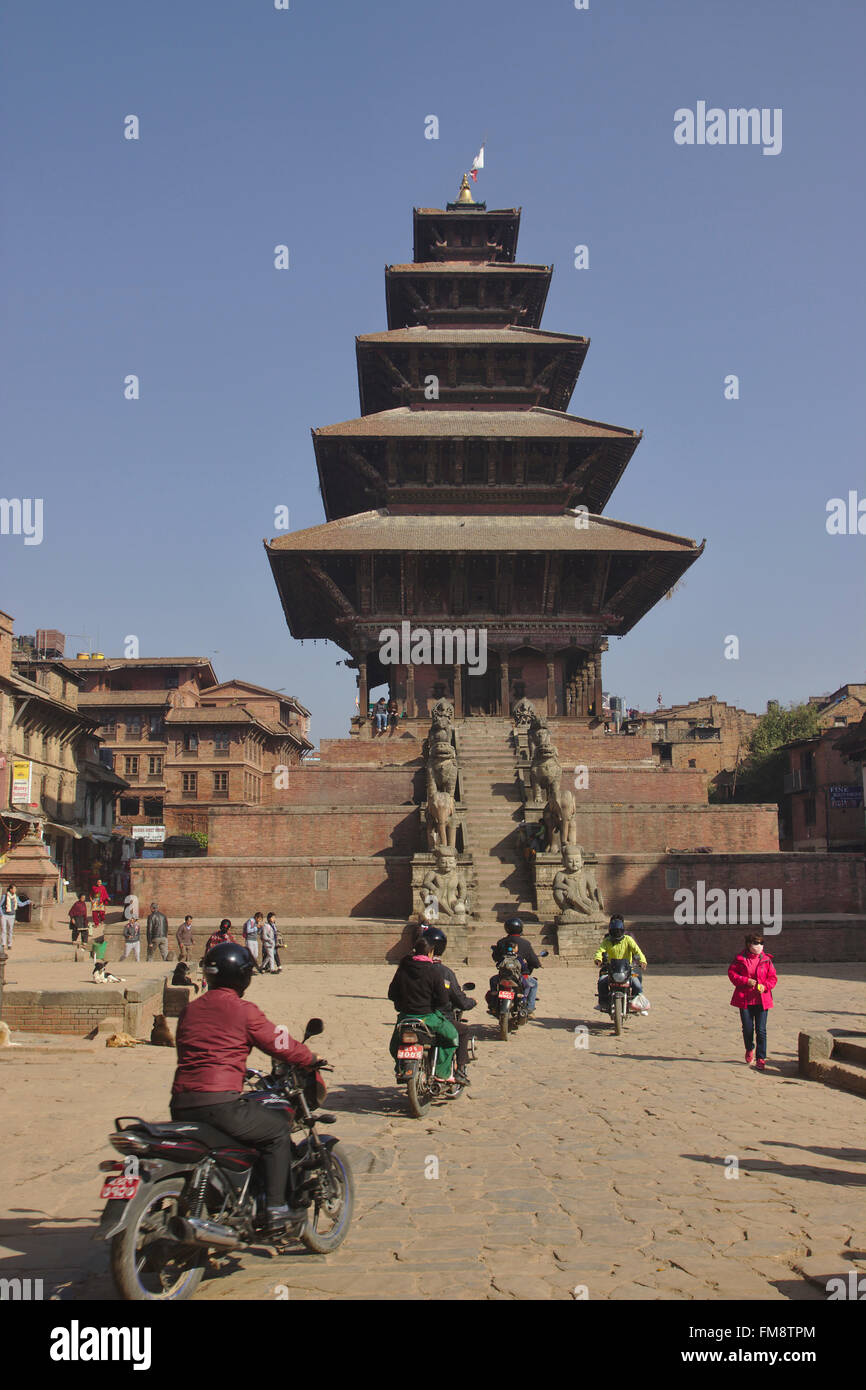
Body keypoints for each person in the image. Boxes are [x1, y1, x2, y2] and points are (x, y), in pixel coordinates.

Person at [170, 942, 325, 1235]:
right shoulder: (243, 1011)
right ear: (243, 976)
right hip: (220, 1103)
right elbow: (279, 1043)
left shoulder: (190, 1010)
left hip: (181, 1101)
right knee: (277, 1131)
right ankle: (276, 1208)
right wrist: (310, 1057)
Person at [387, 935, 458, 1082]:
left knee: (395, 1045)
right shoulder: (434, 971)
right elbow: (443, 1000)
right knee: (451, 1037)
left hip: (406, 1017)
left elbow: (392, 994)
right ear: (430, 952)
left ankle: (400, 1067)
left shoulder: (403, 969)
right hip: (429, 1018)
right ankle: (442, 1072)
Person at [419, 925, 476, 1086]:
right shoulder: (444, 972)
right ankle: (460, 1070)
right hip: (438, 1018)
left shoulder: (412, 968)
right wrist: (470, 1002)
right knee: (463, 1031)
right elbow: (457, 999)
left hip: (414, 1015)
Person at [728, 933, 777, 1071]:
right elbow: (732, 974)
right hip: (745, 998)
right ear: (749, 945)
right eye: (756, 944)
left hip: (762, 999)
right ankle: (749, 1048)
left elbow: (773, 977)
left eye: (761, 944)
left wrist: (766, 986)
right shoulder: (740, 959)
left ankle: (761, 1057)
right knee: (748, 1028)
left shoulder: (767, 960)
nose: (759, 947)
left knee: (761, 1030)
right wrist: (746, 981)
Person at [593, 916, 648, 1013]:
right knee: (602, 981)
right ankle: (603, 1002)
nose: (616, 933)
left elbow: (637, 951)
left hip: (628, 968)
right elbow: (600, 951)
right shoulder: (607, 941)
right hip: (611, 968)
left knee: (637, 983)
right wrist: (598, 959)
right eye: (614, 931)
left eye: (618, 931)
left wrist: (642, 961)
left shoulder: (628, 939)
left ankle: (638, 1003)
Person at [489, 917, 542, 1014]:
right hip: (519, 977)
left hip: (503, 976)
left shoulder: (501, 942)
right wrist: (536, 964)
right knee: (534, 984)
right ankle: (530, 1008)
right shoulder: (525, 944)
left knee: (493, 981)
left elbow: (496, 958)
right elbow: (534, 961)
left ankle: (493, 1003)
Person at [1, 883, 19, 951]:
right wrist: (1, 913)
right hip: (4, 915)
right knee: (3, 929)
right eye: (14, 889)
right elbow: (0, 905)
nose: (15, 890)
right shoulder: (4, 896)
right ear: (10, 889)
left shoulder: (15, 897)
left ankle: (9, 944)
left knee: (10, 930)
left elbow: (20, 903)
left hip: (12, 915)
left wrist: (28, 902)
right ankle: (3, 944)